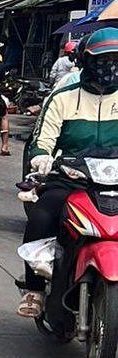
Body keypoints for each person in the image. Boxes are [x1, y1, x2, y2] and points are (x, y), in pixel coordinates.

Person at [20, 27, 118, 317]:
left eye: (115, 59)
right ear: (86, 61)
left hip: (114, 181)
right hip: (72, 179)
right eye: (103, 59)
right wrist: (42, 160)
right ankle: (34, 289)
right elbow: (41, 142)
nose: (109, 66)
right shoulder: (62, 98)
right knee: (40, 217)